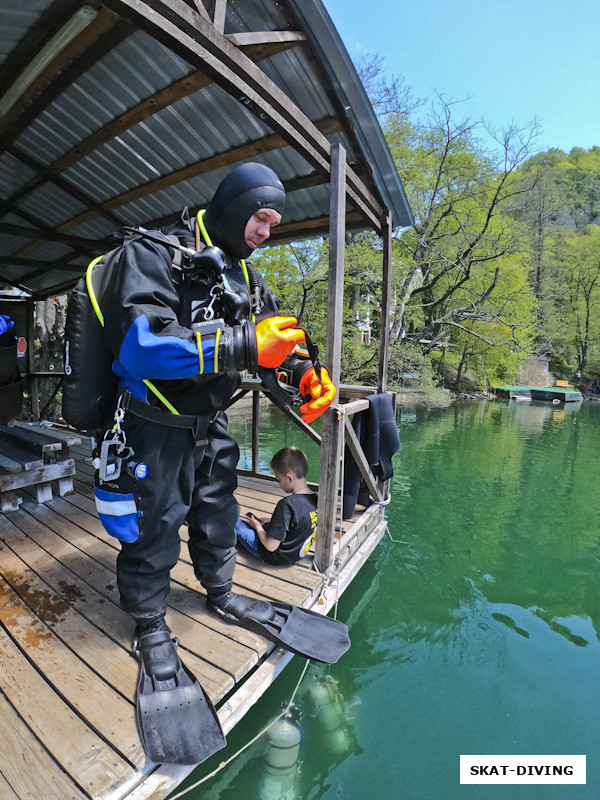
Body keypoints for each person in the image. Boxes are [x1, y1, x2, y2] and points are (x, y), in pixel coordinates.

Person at [68, 163, 347, 765]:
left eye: (275, 222)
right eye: (260, 217)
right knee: (154, 529)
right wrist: (246, 346)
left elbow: (280, 342)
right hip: (153, 425)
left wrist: (304, 375)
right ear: (231, 206)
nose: (266, 230)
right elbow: (142, 347)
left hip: (210, 425)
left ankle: (221, 590)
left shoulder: (245, 275)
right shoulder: (154, 255)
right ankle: (148, 623)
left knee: (219, 515)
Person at [236, 446, 317, 565]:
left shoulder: (287, 504)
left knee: (233, 521)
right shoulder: (315, 499)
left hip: (273, 556)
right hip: (294, 555)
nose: (278, 483)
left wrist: (258, 526)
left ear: (289, 478)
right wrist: (273, 521)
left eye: (278, 479)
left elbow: (270, 546)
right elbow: (300, 523)